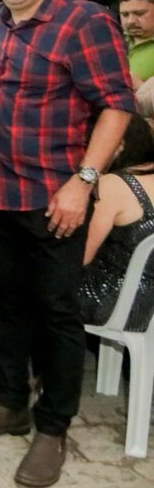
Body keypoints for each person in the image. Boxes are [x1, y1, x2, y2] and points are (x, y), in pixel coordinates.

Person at [0, 0, 135, 488]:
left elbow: (117, 105)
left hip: (57, 198)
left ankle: (53, 426)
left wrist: (84, 181)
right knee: (6, 305)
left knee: (56, 312)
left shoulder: (84, 22)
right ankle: (11, 402)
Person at [78, 114, 154, 330]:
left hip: (113, 302)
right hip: (148, 311)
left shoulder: (113, 185)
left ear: (117, 144)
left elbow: (79, 257)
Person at [118, 0, 154, 82]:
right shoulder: (113, 38)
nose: (130, 21)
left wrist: (142, 88)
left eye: (140, 13)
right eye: (125, 14)